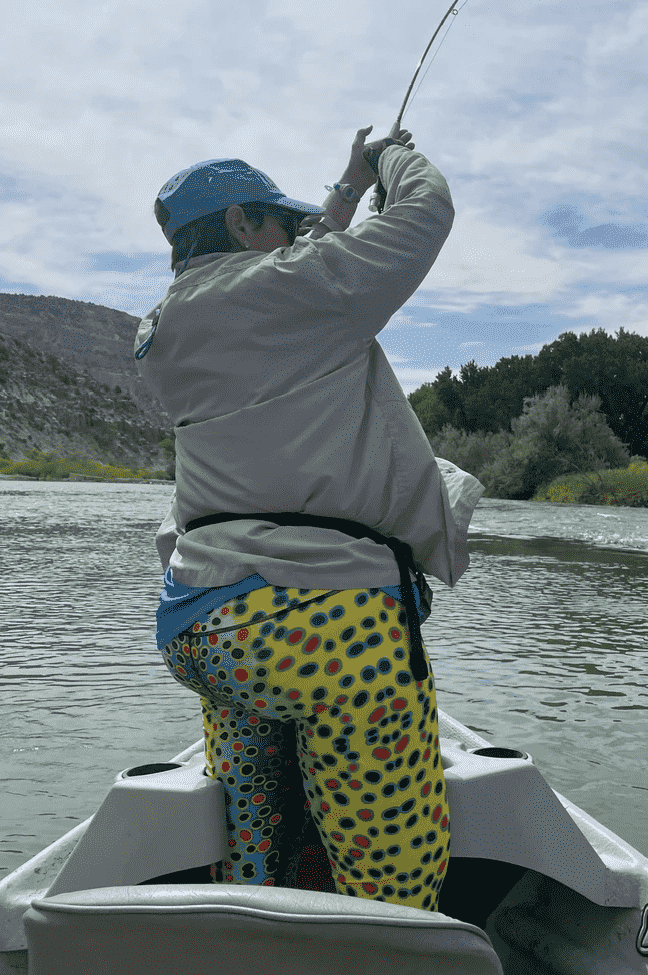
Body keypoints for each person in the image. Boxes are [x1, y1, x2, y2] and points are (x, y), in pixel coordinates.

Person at [135, 123, 485, 911]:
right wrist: (391, 158)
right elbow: (426, 212)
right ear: (238, 225)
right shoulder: (288, 292)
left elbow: (306, 263)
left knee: (254, 838)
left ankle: (254, 931)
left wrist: (346, 190)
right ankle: (383, 945)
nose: (296, 235)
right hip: (321, 636)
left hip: (205, 631)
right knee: (394, 879)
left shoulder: (168, 326)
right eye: (277, 221)